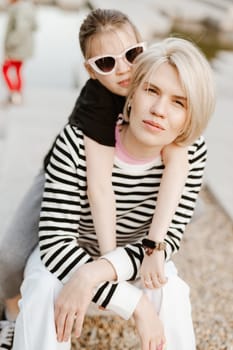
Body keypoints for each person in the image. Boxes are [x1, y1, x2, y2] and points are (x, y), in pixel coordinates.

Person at [0, 8, 190, 346]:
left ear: (143, 48)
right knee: (12, 253)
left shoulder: (161, 88)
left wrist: (132, 255)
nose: (123, 69)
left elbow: (180, 155)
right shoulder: (95, 107)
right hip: (66, 174)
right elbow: (100, 189)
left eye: (132, 54)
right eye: (106, 63)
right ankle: (12, 311)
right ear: (90, 69)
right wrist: (110, 272)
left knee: (173, 213)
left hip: (132, 182)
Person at [1, 0, 37, 105]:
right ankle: (17, 94)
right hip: (24, 46)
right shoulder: (29, 6)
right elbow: (34, 26)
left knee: (5, 69)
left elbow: (21, 28)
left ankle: (14, 94)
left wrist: (10, 43)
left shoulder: (20, 8)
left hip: (17, 47)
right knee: (17, 70)